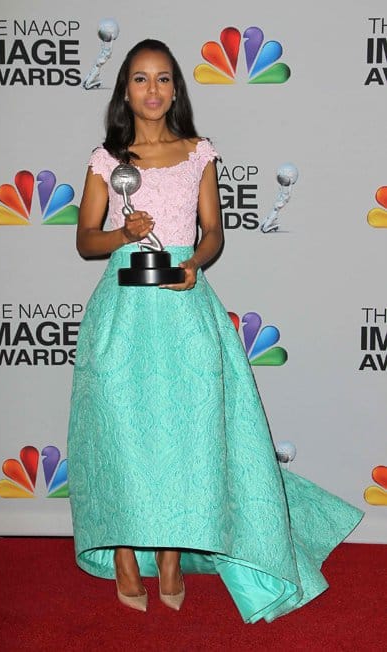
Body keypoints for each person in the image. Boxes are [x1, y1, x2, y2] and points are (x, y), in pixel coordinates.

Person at [68, 39, 363, 621]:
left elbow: (214, 234)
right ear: (124, 90)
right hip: (123, 315)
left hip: (184, 305)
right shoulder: (107, 161)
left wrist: (193, 266)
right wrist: (125, 235)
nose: (151, 90)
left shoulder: (199, 153)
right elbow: (84, 241)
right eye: (139, 79)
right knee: (123, 437)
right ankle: (127, 556)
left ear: (176, 88)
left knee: (188, 434)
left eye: (162, 79)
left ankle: (172, 557)